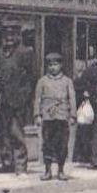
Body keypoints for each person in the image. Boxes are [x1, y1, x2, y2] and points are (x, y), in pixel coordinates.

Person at [0, 22, 36, 174]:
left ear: (18, 35)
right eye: (6, 35)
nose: (9, 38)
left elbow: (31, 78)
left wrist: (24, 98)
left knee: (16, 133)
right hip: (3, 101)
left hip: (18, 101)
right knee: (2, 134)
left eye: (13, 34)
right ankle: (7, 163)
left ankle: (21, 166)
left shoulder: (26, 52)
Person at [34, 51, 76, 181]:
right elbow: (37, 99)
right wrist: (37, 115)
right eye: (50, 65)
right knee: (47, 144)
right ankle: (47, 171)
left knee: (62, 144)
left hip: (62, 115)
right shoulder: (42, 81)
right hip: (48, 116)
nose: (53, 67)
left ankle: (61, 170)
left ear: (61, 65)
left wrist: (73, 115)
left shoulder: (67, 81)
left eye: (55, 64)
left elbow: (72, 98)